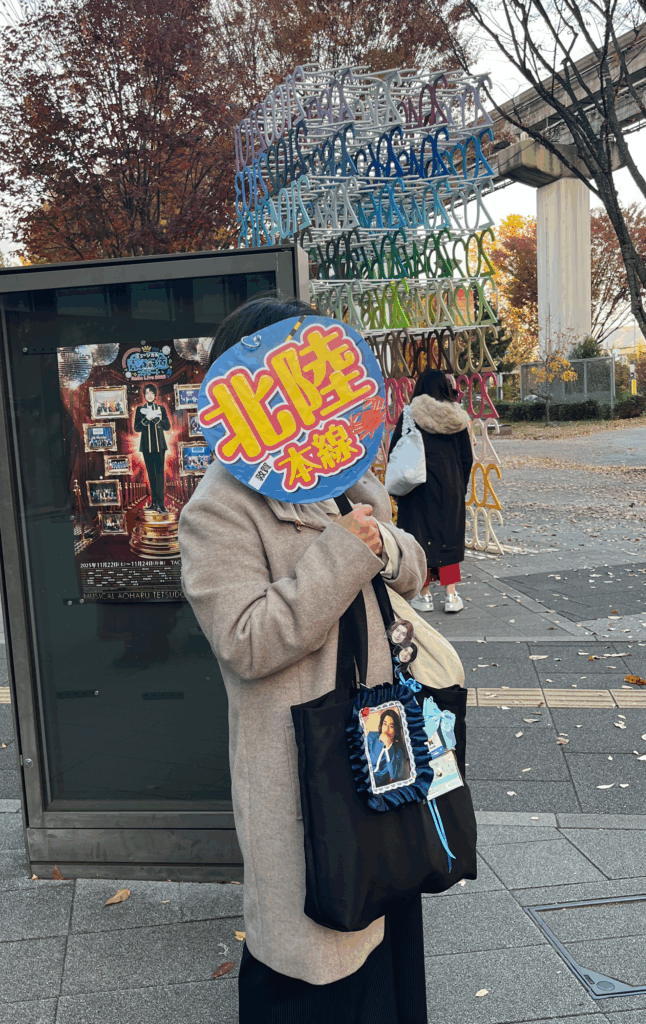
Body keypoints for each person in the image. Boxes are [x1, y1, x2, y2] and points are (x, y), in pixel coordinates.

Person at [179, 295, 429, 1024]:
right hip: (305, 776)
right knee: (317, 969)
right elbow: (247, 640)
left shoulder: (341, 476)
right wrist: (347, 551)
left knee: (387, 956)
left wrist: (382, 543)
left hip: (381, 755)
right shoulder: (220, 507)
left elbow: (409, 565)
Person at [389, 369, 473, 613]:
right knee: (449, 539)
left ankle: (424, 595)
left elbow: (396, 449)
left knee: (418, 538)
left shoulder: (410, 414)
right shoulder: (457, 418)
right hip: (450, 487)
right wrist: (459, 485)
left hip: (417, 488)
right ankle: (451, 595)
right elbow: (466, 458)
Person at [133, 383, 171, 513]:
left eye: (151, 393)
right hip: (146, 447)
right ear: (144, 395)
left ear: (155, 395)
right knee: (151, 475)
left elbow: (167, 427)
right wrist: (146, 419)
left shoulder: (161, 409)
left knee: (160, 475)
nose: (149, 395)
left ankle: (161, 504)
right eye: (147, 393)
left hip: (159, 446)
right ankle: (153, 502)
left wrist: (156, 419)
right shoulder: (139, 410)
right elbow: (136, 428)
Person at [365, 708, 409, 787]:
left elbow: (394, 775)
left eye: (391, 726)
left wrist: (388, 746)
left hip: (380, 784)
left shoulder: (398, 750)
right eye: (384, 724)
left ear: (395, 730)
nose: (386, 729)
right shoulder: (371, 736)